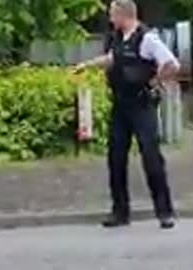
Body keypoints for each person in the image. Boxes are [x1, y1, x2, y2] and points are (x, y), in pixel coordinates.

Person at [73, 0, 180, 229]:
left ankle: (165, 212)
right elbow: (113, 59)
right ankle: (120, 212)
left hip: (142, 106)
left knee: (151, 156)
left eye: (113, 15)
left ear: (124, 15)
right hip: (121, 106)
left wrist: (155, 81)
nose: (110, 19)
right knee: (116, 158)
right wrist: (87, 65)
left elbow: (172, 64)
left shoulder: (147, 38)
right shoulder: (116, 38)